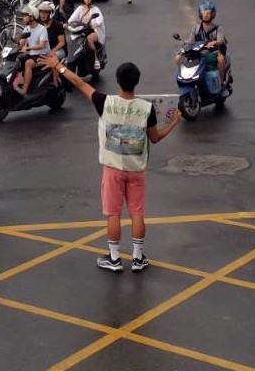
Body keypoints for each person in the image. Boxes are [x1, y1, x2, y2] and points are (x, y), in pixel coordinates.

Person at [46, 55, 179, 272]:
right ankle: (137, 258)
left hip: (113, 168)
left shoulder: (104, 102)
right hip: (137, 169)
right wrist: (173, 122)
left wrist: (58, 66)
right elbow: (155, 138)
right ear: (136, 82)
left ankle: (115, 259)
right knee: (137, 212)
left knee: (113, 213)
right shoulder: (146, 108)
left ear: (118, 81)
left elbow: (79, 83)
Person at [189, 0, 228, 86]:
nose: (206, 15)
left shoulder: (218, 28)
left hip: (213, 53)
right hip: (199, 54)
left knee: (221, 60)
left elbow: (221, 40)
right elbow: (190, 42)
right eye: (204, 13)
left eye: (208, 13)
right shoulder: (195, 29)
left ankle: (221, 83)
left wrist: (215, 42)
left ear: (212, 14)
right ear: (200, 14)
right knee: (180, 58)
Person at [15, 6, 50, 97]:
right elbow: (21, 44)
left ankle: (24, 90)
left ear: (32, 17)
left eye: (25, 16)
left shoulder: (42, 29)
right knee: (16, 61)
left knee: (28, 63)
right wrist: (16, 45)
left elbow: (41, 46)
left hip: (43, 55)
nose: (23, 18)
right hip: (32, 55)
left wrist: (28, 48)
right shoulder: (27, 29)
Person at [71, 0, 106, 68]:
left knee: (89, 39)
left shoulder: (95, 9)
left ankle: (96, 59)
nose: (86, 0)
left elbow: (99, 20)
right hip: (81, 30)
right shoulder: (80, 9)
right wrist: (66, 24)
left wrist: (94, 24)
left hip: (92, 31)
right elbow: (72, 19)